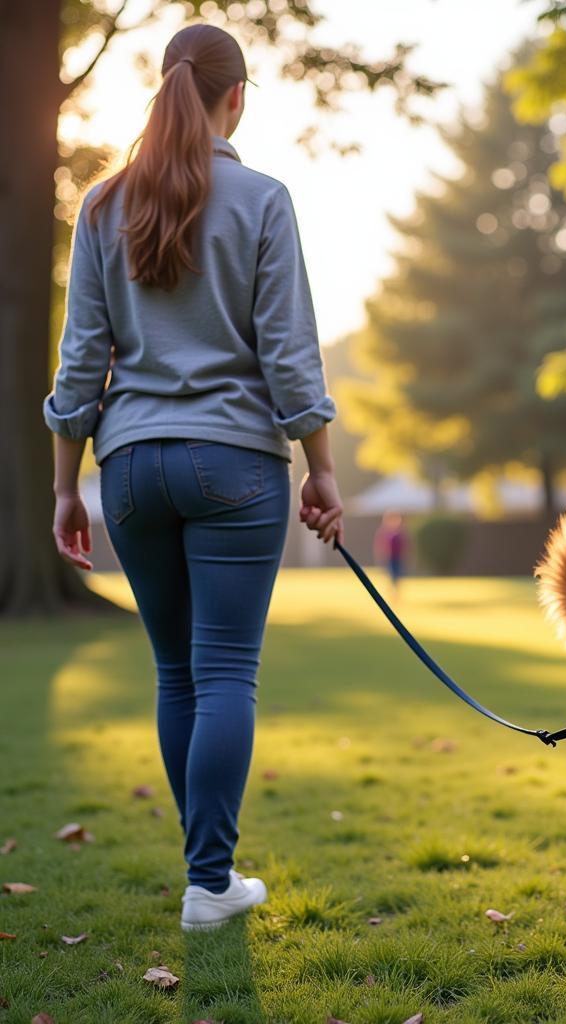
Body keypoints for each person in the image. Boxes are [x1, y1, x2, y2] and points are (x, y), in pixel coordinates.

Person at [43, 23, 344, 931]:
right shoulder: (262, 199)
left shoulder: (101, 206)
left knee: (177, 674)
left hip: (130, 467)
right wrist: (321, 468)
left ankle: (207, 876)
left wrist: (66, 486)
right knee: (223, 676)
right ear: (236, 98)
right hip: (236, 468)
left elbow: (79, 363)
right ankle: (210, 883)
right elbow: (290, 356)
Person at [374, 511, 408, 598]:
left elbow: (405, 546)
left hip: (398, 558)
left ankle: (396, 593)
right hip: (390, 558)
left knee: (397, 576)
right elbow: (381, 545)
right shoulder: (386, 532)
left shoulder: (400, 532)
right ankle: (392, 592)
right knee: (391, 575)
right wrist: (381, 556)